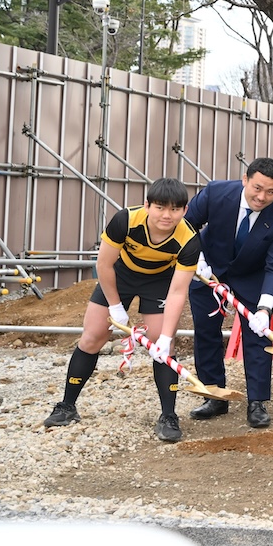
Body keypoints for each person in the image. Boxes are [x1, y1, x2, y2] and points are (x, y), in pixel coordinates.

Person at [43, 178, 201, 443]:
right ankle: (67, 406)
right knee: (92, 337)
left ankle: (168, 416)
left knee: (164, 349)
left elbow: (177, 291)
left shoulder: (189, 240)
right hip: (121, 275)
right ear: (147, 205)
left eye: (175, 209)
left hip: (159, 281)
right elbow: (104, 264)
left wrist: (164, 337)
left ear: (184, 210)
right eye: (160, 207)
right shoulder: (125, 220)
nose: (166, 215)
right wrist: (115, 306)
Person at [184, 157, 273, 429]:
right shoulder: (216, 193)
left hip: (252, 275)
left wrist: (265, 307)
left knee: (257, 336)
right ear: (245, 180)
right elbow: (186, 224)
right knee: (206, 331)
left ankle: (256, 402)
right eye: (257, 188)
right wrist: (195, 259)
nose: (262, 197)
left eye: (271, 192)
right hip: (208, 269)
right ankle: (214, 394)